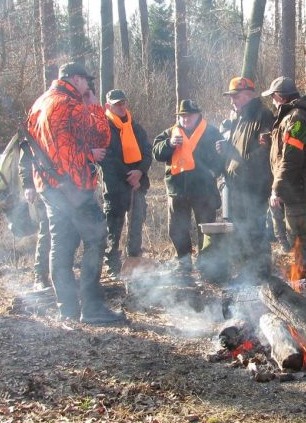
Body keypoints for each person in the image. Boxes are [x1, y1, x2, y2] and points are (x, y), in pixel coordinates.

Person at [26, 61, 125, 324]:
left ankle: (67, 310)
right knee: (96, 238)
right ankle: (92, 308)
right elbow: (103, 136)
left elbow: (50, 147)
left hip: (48, 186)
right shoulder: (70, 105)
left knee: (61, 245)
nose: (89, 86)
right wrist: (93, 105)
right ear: (76, 79)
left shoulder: (39, 104)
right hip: (74, 186)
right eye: (87, 81)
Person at [152, 99, 224, 274]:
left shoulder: (212, 133)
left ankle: (206, 264)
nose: (185, 119)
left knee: (206, 228)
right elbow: (156, 152)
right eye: (182, 116)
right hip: (178, 190)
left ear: (199, 114)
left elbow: (223, 156)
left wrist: (214, 172)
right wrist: (169, 144)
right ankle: (183, 262)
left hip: (204, 190)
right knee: (177, 229)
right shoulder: (170, 133)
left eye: (189, 115)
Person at [262, 76, 306, 276]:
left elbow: (292, 159)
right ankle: (305, 276)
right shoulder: (293, 116)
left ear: (279, 97)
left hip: (296, 188)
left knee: (299, 236)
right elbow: (286, 151)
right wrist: (271, 140)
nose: (272, 101)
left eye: (272, 97)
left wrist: (276, 189)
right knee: (298, 235)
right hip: (296, 186)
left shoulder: (296, 118)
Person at [218, 76, 275, 279]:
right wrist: (225, 150)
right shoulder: (237, 117)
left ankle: (262, 275)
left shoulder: (263, 116)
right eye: (230, 96)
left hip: (254, 185)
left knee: (255, 231)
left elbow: (264, 152)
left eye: (236, 96)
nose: (232, 100)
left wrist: (237, 162)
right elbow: (236, 150)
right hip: (236, 185)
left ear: (249, 94)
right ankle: (246, 274)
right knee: (240, 231)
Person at [100, 89, 152, 278]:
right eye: (117, 104)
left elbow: (147, 152)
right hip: (115, 187)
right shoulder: (104, 129)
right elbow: (107, 159)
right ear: (108, 106)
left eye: (123, 103)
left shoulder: (136, 128)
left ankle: (134, 261)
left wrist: (139, 172)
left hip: (138, 184)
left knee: (137, 222)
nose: (121, 107)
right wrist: (128, 177)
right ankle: (113, 265)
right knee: (114, 226)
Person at [18, 149, 50, 292]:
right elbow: (26, 155)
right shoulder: (35, 127)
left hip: (70, 185)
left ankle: (62, 275)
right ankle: (40, 276)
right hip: (45, 186)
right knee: (47, 231)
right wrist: (28, 184)